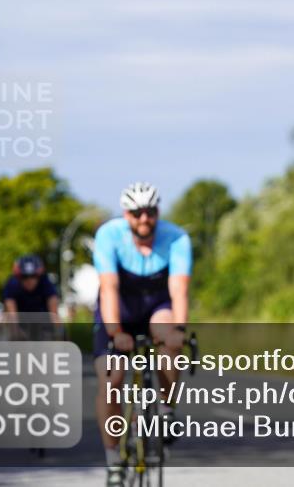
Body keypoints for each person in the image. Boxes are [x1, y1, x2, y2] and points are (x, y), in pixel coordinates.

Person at [92, 182, 192, 486]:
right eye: (137, 213)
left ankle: (165, 408)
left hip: (156, 306)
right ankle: (113, 458)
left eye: (150, 212)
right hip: (118, 310)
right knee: (112, 381)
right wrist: (115, 332)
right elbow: (109, 288)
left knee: (170, 339)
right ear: (126, 214)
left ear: (158, 212)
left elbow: (179, 290)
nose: (144, 218)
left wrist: (178, 330)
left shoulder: (176, 237)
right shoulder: (109, 235)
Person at [2, 254, 60, 336]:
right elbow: (12, 316)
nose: (29, 280)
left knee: (59, 332)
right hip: (21, 322)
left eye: (33, 276)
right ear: (19, 277)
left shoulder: (46, 283)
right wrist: (16, 333)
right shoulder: (12, 284)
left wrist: (57, 334)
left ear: (39, 276)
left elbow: (54, 314)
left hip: (43, 322)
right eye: (25, 276)